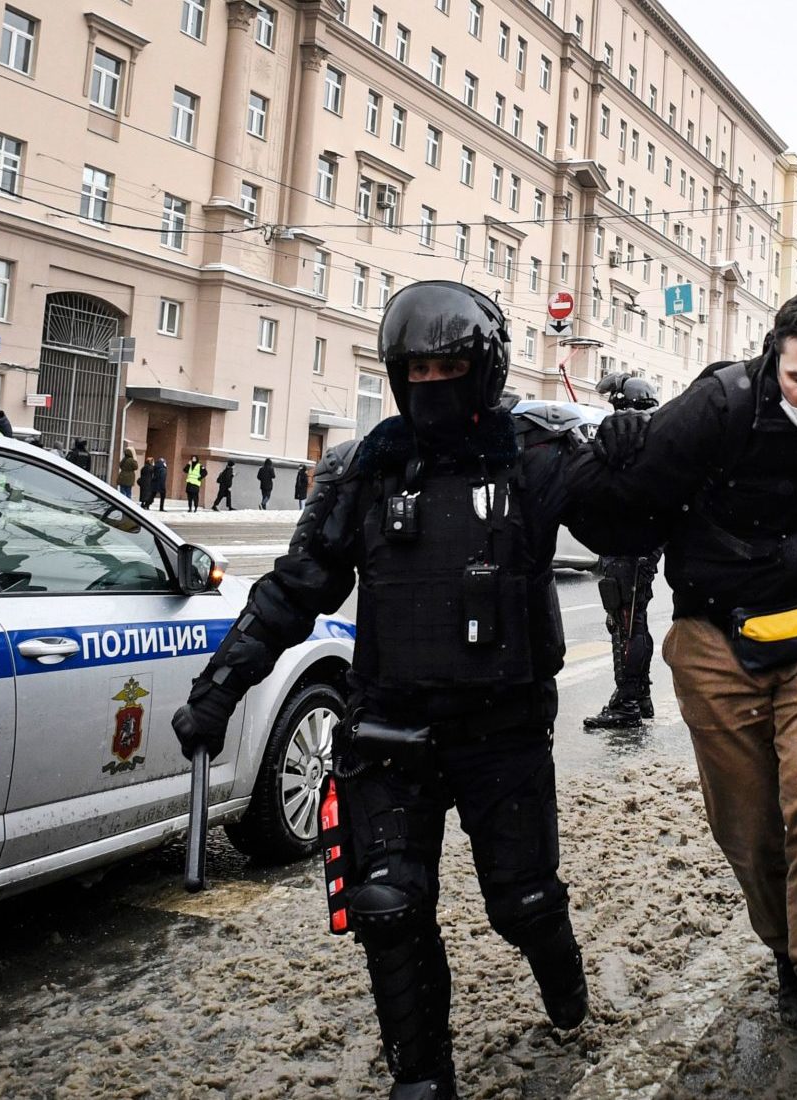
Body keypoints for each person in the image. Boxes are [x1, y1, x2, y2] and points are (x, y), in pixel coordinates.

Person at [171, 281, 628, 1100]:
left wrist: (630, 452)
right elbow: (294, 587)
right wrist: (220, 687)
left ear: (483, 370)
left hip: (504, 734)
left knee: (521, 904)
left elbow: (629, 521)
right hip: (389, 732)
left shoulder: (531, 460)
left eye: (450, 366)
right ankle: (422, 1079)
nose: (432, 384)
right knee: (387, 905)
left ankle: (564, 983)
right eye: (416, 369)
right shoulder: (369, 470)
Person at [590, 291, 797, 1081]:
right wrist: (614, 448)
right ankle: (790, 949)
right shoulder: (717, 405)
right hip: (714, 636)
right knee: (749, 825)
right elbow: (620, 509)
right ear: (775, 360)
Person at [583, 370, 667, 731]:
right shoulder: (656, 440)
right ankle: (640, 695)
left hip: (627, 546)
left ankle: (627, 702)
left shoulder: (629, 445)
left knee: (626, 623)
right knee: (634, 620)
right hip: (641, 547)